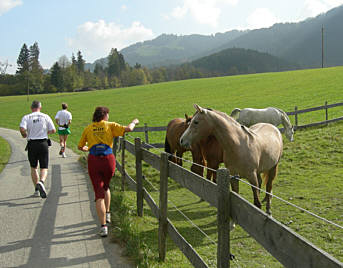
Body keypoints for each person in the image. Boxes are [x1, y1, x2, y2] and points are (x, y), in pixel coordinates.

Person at [78, 106, 139, 237]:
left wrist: (89, 148)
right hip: (108, 161)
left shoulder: (88, 128)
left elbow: (80, 146)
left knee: (98, 194)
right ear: (105, 115)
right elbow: (128, 129)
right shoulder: (110, 125)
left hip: (94, 161)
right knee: (106, 187)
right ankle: (108, 213)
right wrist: (134, 121)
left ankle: (103, 226)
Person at [19, 100, 56, 198]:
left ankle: (36, 190)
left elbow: (22, 128)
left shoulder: (26, 117)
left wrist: (24, 135)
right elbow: (53, 130)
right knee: (44, 167)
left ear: (31, 108)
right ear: (40, 107)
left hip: (32, 144)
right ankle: (41, 182)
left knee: (34, 167)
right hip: (43, 143)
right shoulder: (45, 116)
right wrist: (44, 132)